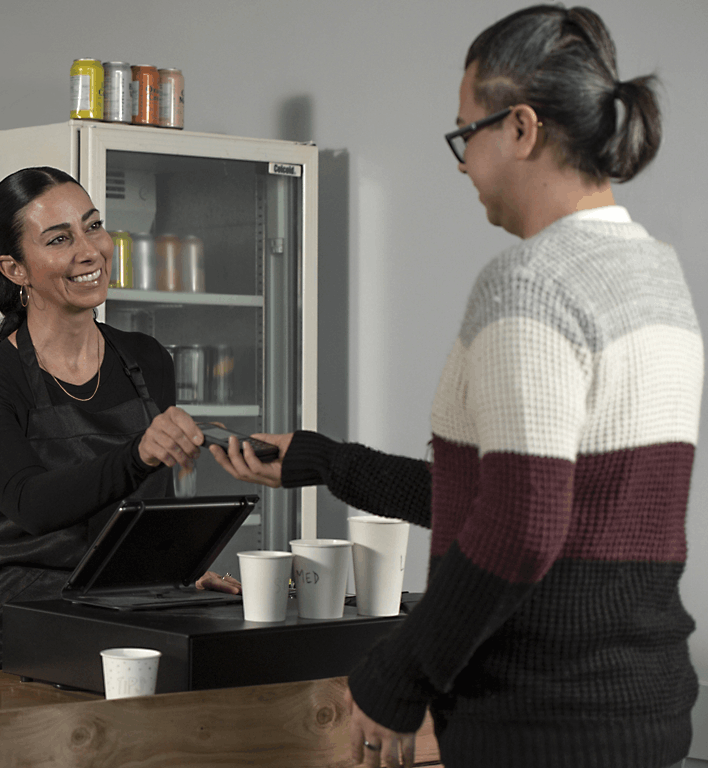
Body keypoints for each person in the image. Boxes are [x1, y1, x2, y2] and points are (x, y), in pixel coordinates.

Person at [211, 5, 703, 768]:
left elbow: (521, 526)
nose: (465, 162)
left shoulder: (532, 283)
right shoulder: (658, 275)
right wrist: (325, 462)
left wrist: (397, 675)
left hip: (539, 726)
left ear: (522, 129)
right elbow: (523, 500)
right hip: (644, 710)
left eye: (464, 133)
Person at [0, 167, 239, 673]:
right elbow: (32, 503)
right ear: (15, 269)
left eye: (93, 226)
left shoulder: (148, 361)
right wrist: (138, 454)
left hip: (129, 632)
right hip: (18, 641)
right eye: (60, 239)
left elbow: (149, 516)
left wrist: (180, 572)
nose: (89, 251)